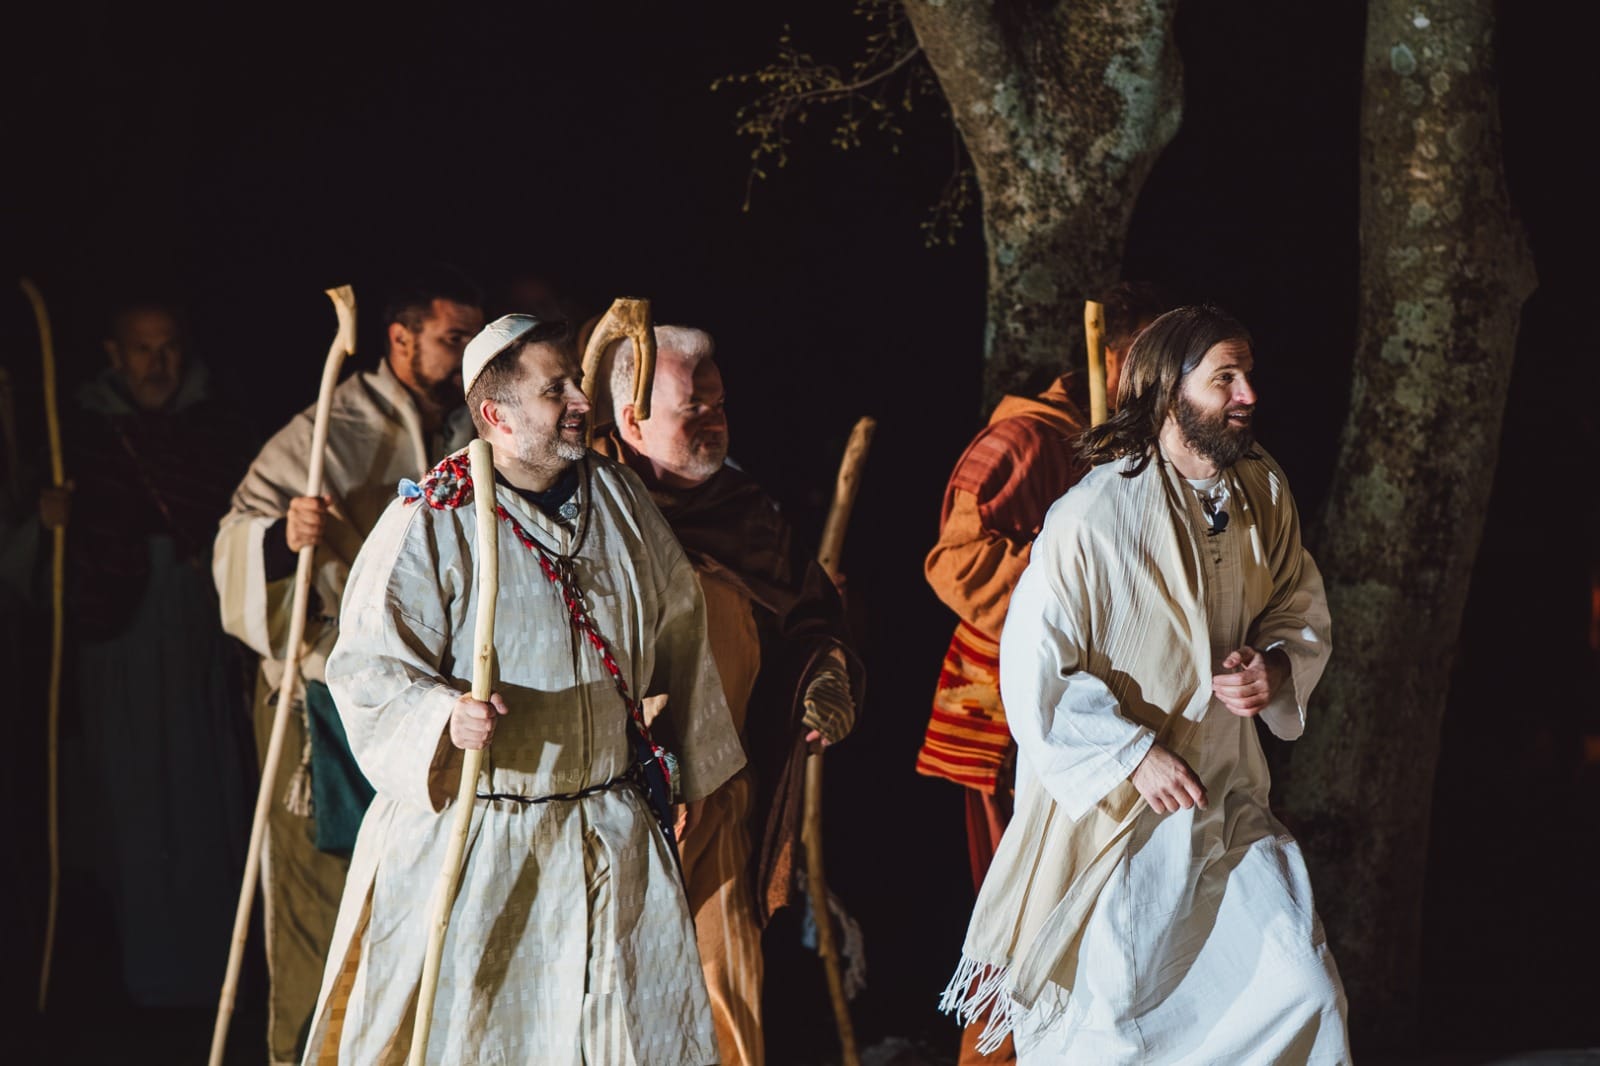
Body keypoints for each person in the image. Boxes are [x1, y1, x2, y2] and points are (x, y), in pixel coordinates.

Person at [301, 314, 744, 1064]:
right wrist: (444, 717)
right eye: (555, 389)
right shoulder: (433, 518)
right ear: (496, 416)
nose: (581, 400)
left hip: (606, 828)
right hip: (483, 838)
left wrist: (692, 767)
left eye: (576, 381)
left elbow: (681, 627)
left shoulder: (617, 497)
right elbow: (367, 667)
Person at [939, 305, 1348, 1063]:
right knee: (1121, 1032)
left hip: (1228, 803)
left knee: (1302, 990)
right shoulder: (1092, 515)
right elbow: (1036, 669)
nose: (1248, 393)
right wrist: (1129, 753)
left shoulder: (1262, 490)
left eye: (1248, 374)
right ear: (1168, 391)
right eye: (1225, 377)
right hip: (1121, 820)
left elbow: (1297, 599)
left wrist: (1275, 666)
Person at [212, 266, 483, 1064]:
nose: (468, 356)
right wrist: (282, 536)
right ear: (400, 340)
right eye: (453, 339)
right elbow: (236, 536)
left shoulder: (473, 432)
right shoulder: (331, 426)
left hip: (427, 704)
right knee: (319, 898)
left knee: (418, 896)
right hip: (324, 697)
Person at [599, 326, 862, 1066]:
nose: (715, 421)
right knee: (612, 1000)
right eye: (694, 408)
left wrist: (825, 679)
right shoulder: (588, 507)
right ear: (632, 421)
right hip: (609, 805)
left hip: (719, 791)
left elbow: (811, 621)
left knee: (727, 994)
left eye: (720, 405)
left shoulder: (745, 510)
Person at [53, 297, 257, 1005]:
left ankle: (213, 976)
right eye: (142, 350)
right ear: (115, 356)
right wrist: (53, 523)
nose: (157, 364)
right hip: (121, 635)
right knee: (134, 794)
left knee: (205, 790)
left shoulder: (213, 429)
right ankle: (150, 975)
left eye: (168, 347)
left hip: (196, 626)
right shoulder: (83, 433)